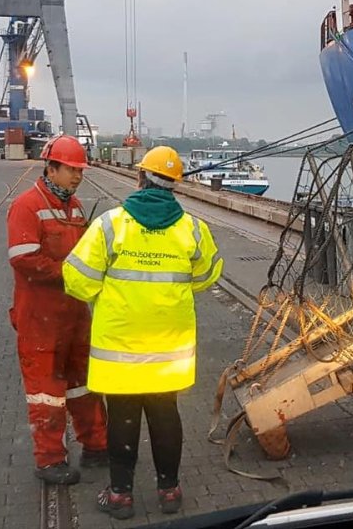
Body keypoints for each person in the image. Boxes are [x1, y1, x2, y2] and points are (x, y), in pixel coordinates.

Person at [62, 146, 223, 520]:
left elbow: (77, 280)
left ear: (139, 178)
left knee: (123, 420)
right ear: (175, 187)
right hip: (169, 350)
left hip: (119, 350)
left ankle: (120, 496)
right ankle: (169, 491)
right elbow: (207, 275)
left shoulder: (110, 225)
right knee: (166, 416)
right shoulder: (193, 230)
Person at [6, 134, 109, 485]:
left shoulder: (75, 207)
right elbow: (24, 260)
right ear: (51, 168)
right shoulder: (26, 205)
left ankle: (96, 446)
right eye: (71, 170)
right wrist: (71, 272)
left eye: (80, 170)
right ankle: (50, 460)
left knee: (83, 384)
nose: (77, 176)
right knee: (46, 392)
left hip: (75, 315)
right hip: (40, 318)